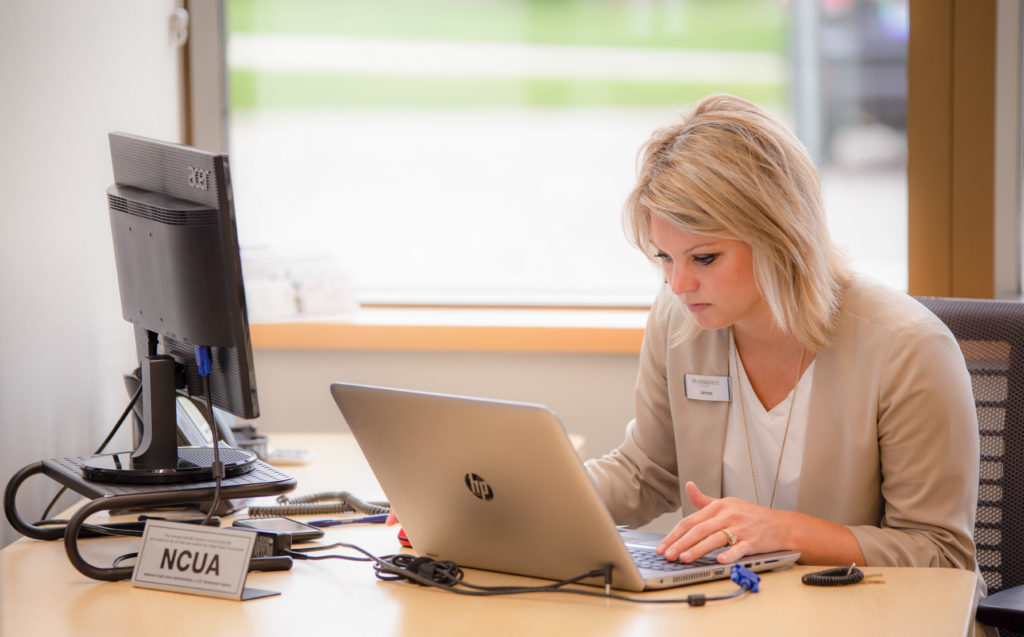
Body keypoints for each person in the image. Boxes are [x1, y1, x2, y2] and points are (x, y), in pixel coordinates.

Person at [583, 95, 983, 585]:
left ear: (780, 238)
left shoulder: (908, 348)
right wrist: (541, 490)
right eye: (664, 257)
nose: (678, 284)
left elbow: (941, 556)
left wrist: (788, 532)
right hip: (737, 612)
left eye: (704, 258)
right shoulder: (678, 322)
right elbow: (647, 473)